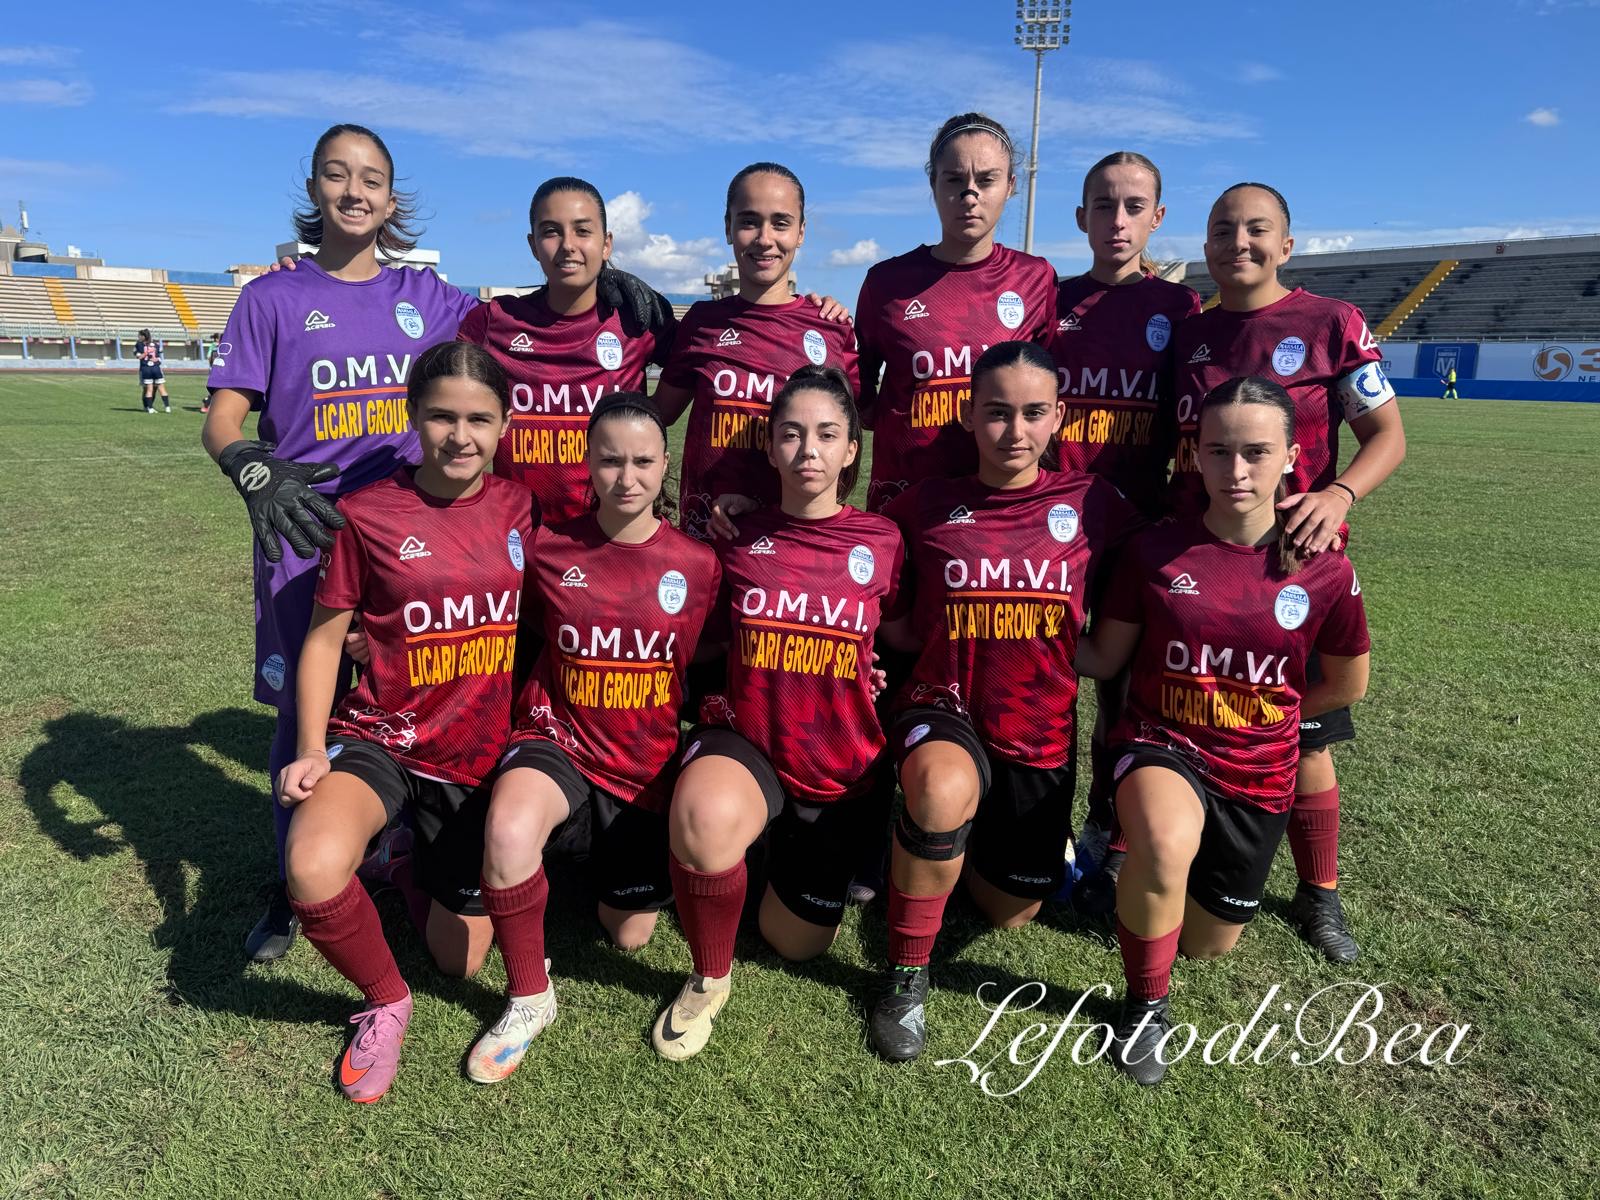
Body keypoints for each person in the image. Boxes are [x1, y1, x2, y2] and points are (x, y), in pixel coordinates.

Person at [203, 123, 481, 962]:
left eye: (371, 180)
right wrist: (252, 463)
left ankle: (411, 849)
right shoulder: (272, 298)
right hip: (304, 536)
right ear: (316, 188)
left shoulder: (433, 301)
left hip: (408, 546)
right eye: (337, 175)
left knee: (412, 695)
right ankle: (296, 882)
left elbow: (528, 337)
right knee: (304, 715)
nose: (354, 191)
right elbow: (222, 416)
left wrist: (611, 286)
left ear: (393, 200)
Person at [1075, 375, 1371, 1086]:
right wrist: (1021, 625)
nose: (1235, 471)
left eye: (1255, 453)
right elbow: (1105, 658)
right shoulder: (1154, 552)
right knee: (1163, 839)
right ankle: (1146, 1008)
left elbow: (1346, 685)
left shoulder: (1326, 569)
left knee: (1209, 943)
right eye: (1218, 452)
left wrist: (1268, 719)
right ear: (1195, 457)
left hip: (1259, 769)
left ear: (1291, 457)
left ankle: (1159, 899)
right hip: (1160, 745)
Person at [276, 340, 536, 1102]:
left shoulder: (523, 506)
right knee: (312, 866)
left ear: (505, 423)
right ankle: (385, 1001)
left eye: (479, 419)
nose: (461, 436)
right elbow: (326, 639)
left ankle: (401, 861)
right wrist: (310, 749)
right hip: (382, 740)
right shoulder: (366, 514)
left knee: (460, 958)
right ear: (414, 418)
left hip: (477, 756)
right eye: (443, 417)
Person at [867, 341, 1142, 1062]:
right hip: (943, 708)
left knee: (1011, 913)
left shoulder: (1094, 506)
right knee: (938, 788)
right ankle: (905, 975)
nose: (1013, 431)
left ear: (1059, 418)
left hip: (1037, 729)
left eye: (1030, 413)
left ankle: (944, 853)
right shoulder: (922, 507)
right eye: (995, 412)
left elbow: (1167, 569)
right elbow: (873, 594)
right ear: (967, 414)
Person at [1162, 181, 1404, 962]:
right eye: (1224, 229)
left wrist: (1337, 493)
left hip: (1295, 562)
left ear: (1288, 245)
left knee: (1301, 730)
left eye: (1258, 229)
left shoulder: (1331, 322)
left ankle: (1320, 895)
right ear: (1205, 246)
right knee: (1179, 705)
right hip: (1199, 553)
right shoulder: (1190, 336)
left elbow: (1389, 437)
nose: (1240, 242)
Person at [650, 365, 905, 1062]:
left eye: (827, 435)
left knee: (794, 943)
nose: (808, 451)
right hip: (749, 739)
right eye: (791, 435)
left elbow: (896, 636)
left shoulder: (881, 540)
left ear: (853, 448)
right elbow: (698, 633)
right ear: (770, 446)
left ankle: (767, 849)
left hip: (837, 765)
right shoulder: (738, 536)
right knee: (703, 820)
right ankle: (710, 975)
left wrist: (866, 669)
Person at [465, 392, 721, 1085]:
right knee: (510, 828)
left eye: (642, 460)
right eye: (610, 459)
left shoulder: (698, 565)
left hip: (644, 765)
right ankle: (528, 996)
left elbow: (711, 660)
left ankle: (567, 874)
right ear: (588, 462)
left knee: (630, 934)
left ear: (664, 461)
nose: (627, 477)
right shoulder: (548, 552)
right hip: (558, 739)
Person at [1044, 151, 1203, 911]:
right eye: (1102, 206)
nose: (1117, 220)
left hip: (1141, 533)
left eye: (1133, 206)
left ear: (1157, 218)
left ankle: (1108, 833)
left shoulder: (1180, 311)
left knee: (1122, 694)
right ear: (1081, 217)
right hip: (1055, 535)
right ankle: (1039, 828)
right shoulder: (1051, 302)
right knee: (1043, 683)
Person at [853, 112, 1057, 514]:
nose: (969, 194)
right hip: (907, 499)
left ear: (1011, 187)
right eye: (954, 180)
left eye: (986, 180)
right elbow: (860, 394)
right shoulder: (887, 282)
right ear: (934, 184)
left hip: (997, 505)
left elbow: (1045, 388)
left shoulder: (1037, 278)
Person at [653, 162, 859, 541]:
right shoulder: (701, 322)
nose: (765, 238)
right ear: (728, 226)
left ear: (801, 232)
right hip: (708, 539)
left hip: (794, 542)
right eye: (749, 221)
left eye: (780, 222)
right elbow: (658, 414)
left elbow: (855, 432)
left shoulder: (830, 326)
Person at [456, 176, 678, 525]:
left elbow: (693, 376)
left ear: (607, 245)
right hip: (520, 533)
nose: (568, 245)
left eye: (583, 231)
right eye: (551, 231)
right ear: (532, 245)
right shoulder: (493, 321)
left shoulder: (639, 323)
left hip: (610, 533)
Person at [135, 329, 171, 414]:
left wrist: (145, 353)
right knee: (160, 388)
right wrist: (156, 359)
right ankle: (167, 407)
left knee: (148, 389)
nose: (138, 337)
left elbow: (139, 357)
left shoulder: (139, 344)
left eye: (139, 335)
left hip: (146, 368)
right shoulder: (156, 344)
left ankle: (149, 407)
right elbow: (159, 357)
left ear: (143, 336)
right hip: (156, 368)